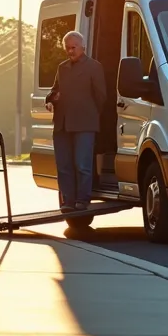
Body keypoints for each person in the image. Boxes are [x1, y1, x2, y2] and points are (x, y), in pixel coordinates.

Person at [46, 30, 107, 212]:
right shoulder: (62, 67)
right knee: (64, 165)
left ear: (83, 47)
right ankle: (68, 201)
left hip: (85, 123)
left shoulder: (94, 67)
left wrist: (90, 115)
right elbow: (54, 90)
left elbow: (101, 97)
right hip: (62, 124)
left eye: (74, 47)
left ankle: (83, 199)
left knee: (82, 164)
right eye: (67, 48)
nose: (70, 51)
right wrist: (50, 100)